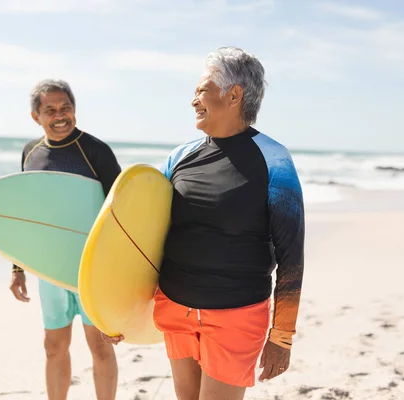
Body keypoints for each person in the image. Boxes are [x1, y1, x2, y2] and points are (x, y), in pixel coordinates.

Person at [104, 47, 305, 399]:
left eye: (201, 90)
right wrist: (118, 311)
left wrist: (282, 335)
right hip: (175, 307)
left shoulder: (274, 161)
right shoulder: (180, 157)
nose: (193, 100)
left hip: (236, 314)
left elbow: (291, 256)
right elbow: (145, 237)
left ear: (234, 94)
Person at [9, 79, 122, 400]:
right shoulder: (30, 152)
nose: (60, 116)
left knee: (100, 346)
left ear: (74, 110)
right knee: (53, 346)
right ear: (36, 116)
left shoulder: (95, 151)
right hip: (50, 268)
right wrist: (18, 268)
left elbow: (122, 210)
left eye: (66, 108)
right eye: (50, 110)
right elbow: (25, 214)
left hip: (93, 268)